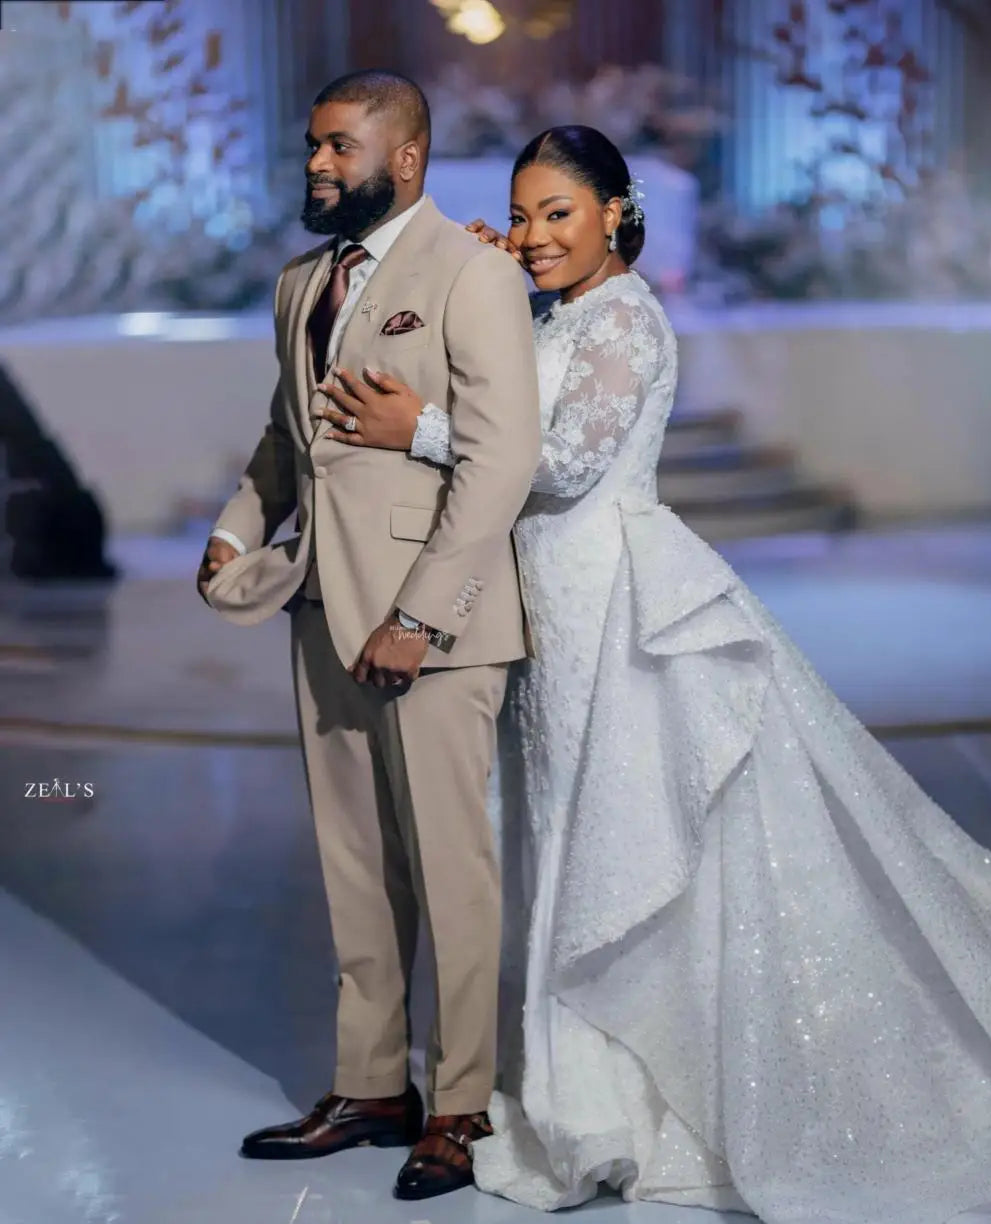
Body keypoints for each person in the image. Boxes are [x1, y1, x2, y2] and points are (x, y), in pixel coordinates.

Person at [314, 124, 991, 1221]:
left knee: (629, 835)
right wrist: (483, 276)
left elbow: (558, 463)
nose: (539, 234)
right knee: (563, 831)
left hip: (615, 601)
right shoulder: (556, 307)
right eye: (525, 212)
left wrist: (423, 432)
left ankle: (628, 1098)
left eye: (561, 213)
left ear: (614, 213)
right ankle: (587, 1087)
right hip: (550, 598)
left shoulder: (627, 321)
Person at [196, 70, 541, 1202]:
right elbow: (284, 436)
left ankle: (460, 1105)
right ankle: (371, 1086)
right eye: (311, 146)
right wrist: (239, 524)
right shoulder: (303, 281)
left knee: (453, 874)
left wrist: (417, 616)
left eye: (337, 147)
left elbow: (499, 461)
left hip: (433, 622)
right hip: (317, 607)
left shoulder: (474, 273)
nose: (315, 164)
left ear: (403, 158)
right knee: (354, 871)